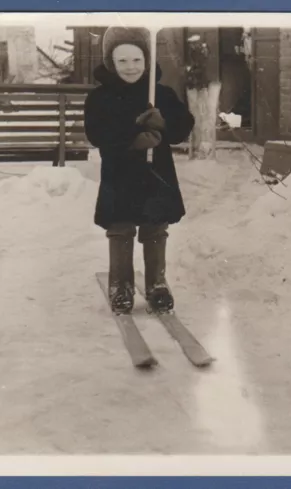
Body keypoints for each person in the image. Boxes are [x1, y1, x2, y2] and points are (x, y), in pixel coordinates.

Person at [84, 26, 195, 315]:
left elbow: (183, 128)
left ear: (146, 61)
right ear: (111, 62)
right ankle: (120, 285)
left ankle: (157, 284)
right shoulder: (99, 98)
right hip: (119, 173)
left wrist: (164, 123)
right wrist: (132, 139)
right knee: (120, 227)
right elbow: (97, 134)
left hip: (155, 173)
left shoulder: (161, 94)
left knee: (155, 226)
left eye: (136, 60)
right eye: (122, 61)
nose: (130, 67)